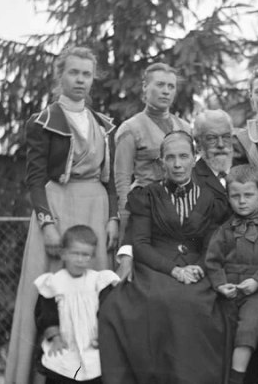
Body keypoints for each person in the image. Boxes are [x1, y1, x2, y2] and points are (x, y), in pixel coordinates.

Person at [6, 46, 119, 384]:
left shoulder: (104, 125)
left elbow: (111, 181)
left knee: (96, 288)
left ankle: (94, 373)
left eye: (86, 74)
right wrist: (47, 224)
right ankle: (45, 374)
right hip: (57, 207)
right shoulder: (42, 121)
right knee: (50, 290)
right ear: (60, 76)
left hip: (95, 209)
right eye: (74, 73)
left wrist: (113, 217)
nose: (80, 80)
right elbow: (35, 179)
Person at [98, 131, 232, 384]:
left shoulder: (211, 197)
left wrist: (200, 268)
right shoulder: (147, 194)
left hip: (197, 267)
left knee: (197, 305)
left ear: (195, 158)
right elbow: (140, 242)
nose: (178, 164)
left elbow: (214, 243)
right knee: (148, 302)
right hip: (155, 265)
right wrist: (174, 271)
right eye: (170, 158)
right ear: (161, 162)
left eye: (183, 156)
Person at [115, 109, 232, 281]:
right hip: (194, 263)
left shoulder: (243, 171)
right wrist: (126, 254)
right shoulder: (185, 175)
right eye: (212, 138)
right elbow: (140, 224)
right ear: (198, 146)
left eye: (226, 136)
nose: (221, 144)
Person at [205, 165, 258, 384]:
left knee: (248, 325)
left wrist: (257, 281)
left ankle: (236, 378)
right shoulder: (224, 230)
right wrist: (221, 285)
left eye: (248, 195)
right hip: (231, 289)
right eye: (236, 196)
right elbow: (212, 261)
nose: (242, 201)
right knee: (218, 321)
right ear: (229, 198)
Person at [113, 62, 190, 278]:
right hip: (146, 210)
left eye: (171, 86)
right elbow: (121, 180)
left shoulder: (184, 127)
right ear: (145, 87)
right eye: (160, 85)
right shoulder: (131, 129)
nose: (166, 91)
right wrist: (125, 220)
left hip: (181, 210)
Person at [34, 225, 120, 384]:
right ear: (64, 254)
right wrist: (55, 336)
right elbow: (45, 312)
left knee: (96, 370)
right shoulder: (54, 283)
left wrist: (102, 336)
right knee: (60, 370)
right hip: (65, 343)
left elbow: (107, 312)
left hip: (92, 343)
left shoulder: (98, 281)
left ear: (93, 257)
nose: (80, 259)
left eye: (86, 255)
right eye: (75, 253)